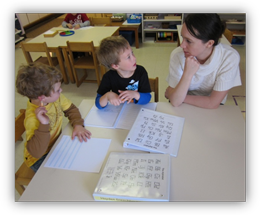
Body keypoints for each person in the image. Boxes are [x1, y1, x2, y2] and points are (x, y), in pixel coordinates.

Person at [16, 63, 92, 172]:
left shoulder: (55, 98)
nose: (61, 91)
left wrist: (78, 124)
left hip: (56, 144)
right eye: (57, 90)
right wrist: (44, 124)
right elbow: (36, 152)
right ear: (42, 97)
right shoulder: (32, 119)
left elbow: (71, 109)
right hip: (39, 158)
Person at [165, 13, 241, 109]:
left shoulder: (229, 57)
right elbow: (175, 102)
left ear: (209, 43)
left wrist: (178, 97)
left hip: (208, 107)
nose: (182, 45)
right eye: (182, 38)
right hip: (182, 105)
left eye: (188, 41)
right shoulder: (177, 55)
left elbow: (212, 103)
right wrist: (188, 74)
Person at [95, 36, 151, 109]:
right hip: (119, 111)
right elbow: (98, 104)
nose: (134, 58)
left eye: (132, 53)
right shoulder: (108, 77)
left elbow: (147, 98)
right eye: (128, 57)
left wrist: (135, 94)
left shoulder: (140, 71)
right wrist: (107, 96)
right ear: (115, 65)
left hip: (137, 109)